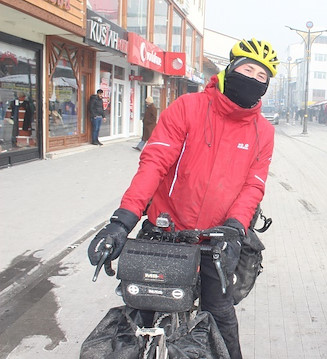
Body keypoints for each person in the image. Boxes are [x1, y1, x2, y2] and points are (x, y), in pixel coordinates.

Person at [87, 38, 279, 359]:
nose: (253, 80)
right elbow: (155, 164)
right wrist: (122, 221)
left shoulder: (263, 131)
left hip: (216, 241)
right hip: (165, 234)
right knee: (140, 316)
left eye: (262, 78)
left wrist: (236, 227)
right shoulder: (188, 107)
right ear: (230, 70)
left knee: (221, 313)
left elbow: (253, 185)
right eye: (248, 70)